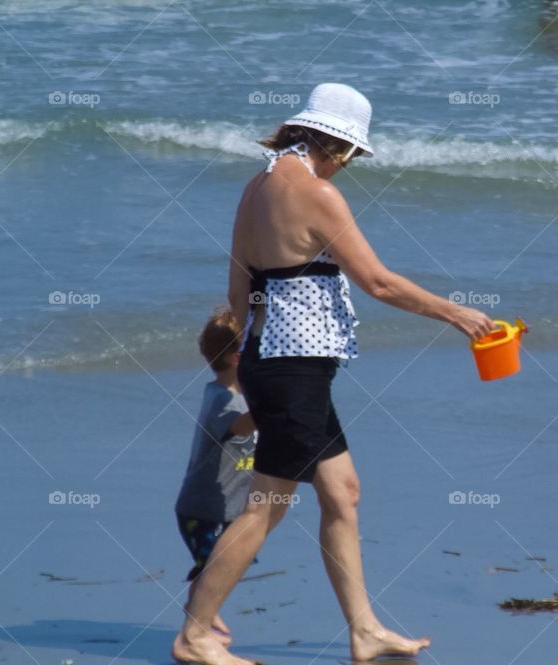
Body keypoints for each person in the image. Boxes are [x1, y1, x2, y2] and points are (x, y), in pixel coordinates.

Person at [171, 83, 494, 665]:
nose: (349, 167)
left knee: (343, 494)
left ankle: (365, 630)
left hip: (280, 365)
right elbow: (378, 281)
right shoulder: (317, 193)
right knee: (267, 504)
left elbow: (238, 290)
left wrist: (255, 373)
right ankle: (194, 635)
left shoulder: (255, 190)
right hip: (293, 371)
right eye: (353, 157)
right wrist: (456, 313)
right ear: (339, 147)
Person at [174, 307, 257, 647]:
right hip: (203, 510)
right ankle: (199, 619)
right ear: (239, 358)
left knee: (228, 561)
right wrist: (274, 404)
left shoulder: (231, 395)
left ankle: (202, 612)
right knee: (217, 566)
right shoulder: (225, 401)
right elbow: (239, 427)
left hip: (222, 509)